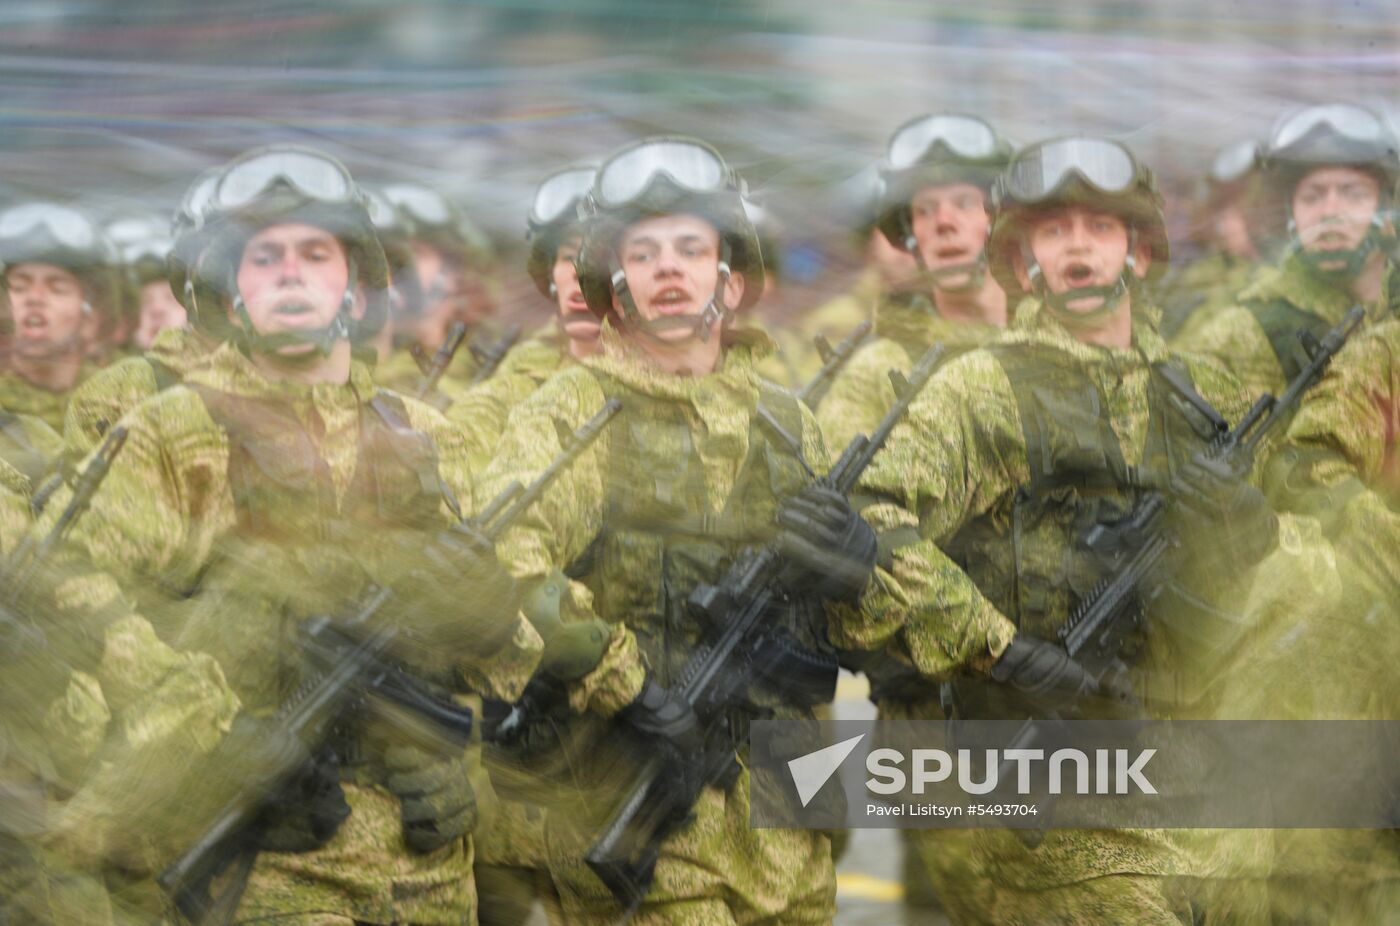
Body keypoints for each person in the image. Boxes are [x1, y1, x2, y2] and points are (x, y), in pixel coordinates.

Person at [38, 145, 540, 924]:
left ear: (353, 282)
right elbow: (66, 595)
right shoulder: (172, 431)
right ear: (229, 289)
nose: (292, 273)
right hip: (262, 861)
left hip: (425, 865)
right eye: (263, 258)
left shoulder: (426, 435)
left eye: (316, 253)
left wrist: (485, 655)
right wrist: (211, 737)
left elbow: (514, 649)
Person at [832, 136, 1275, 924]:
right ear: (1023, 259)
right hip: (1049, 783)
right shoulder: (985, 386)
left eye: (1101, 229)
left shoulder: (1202, 389)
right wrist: (999, 645)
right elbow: (871, 517)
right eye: (1055, 230)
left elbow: (1299, 575)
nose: (1078, 247)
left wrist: (1255, 528)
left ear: (1139, 253)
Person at [481, 136, 864, 924]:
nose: (669, 267)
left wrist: (859, 560)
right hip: (638, 772)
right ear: (614, 278)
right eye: (645, 250)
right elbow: (507, 554)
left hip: (790, 790)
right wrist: (621, 677)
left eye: (691, 247)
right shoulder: (577, 409)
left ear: (727, 273)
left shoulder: (784, 420)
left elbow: (859, 611)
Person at [1176, 103, 1400, 399]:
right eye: (1312, 196)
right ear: (1291, 215)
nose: (1330, 211)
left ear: (1386, 209)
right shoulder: (1247, 331)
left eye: (1353, 194)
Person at [818, 114, 1013, 451]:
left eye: (965, 203)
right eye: (925, 210)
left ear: (1000, 219)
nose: (944, 222)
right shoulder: (873, 373)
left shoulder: (1068, 346)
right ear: (910, 237)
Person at [0, 203, 117, 431]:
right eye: (19, 286)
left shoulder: (121, 399)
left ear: (90, 315)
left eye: (58, 288)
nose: (35, 298)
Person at [1161, 140, 1267, 341]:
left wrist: (1248, 253)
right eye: (1222, 208)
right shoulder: (1194, 272)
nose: (1227, 221)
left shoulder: (1272, 266)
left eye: (1237, 207)